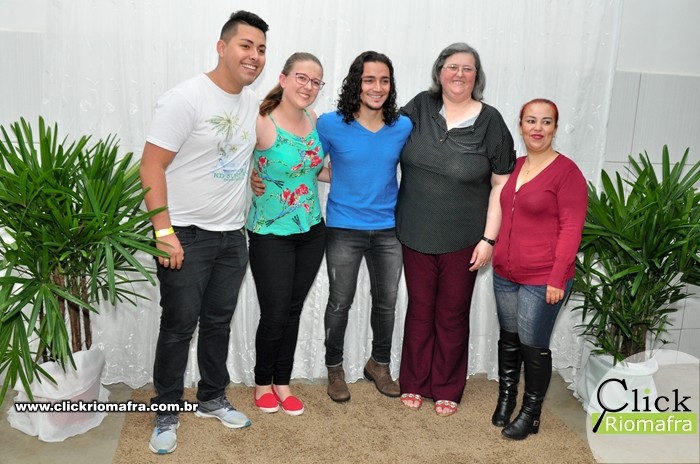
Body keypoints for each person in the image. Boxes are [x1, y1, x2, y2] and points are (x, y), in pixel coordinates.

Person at [139, 11, 268, 454]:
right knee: (178, 326)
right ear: (222, 47)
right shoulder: (186, 98)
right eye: (246, 45)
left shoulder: (252, 103)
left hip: (233, 235)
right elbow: (151, 166)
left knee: (217, 323)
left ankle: (212, 397)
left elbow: (238, 154)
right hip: (185, 235)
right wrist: (163, 230)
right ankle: (166, 410)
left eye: (261, 49)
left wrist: (253, 176)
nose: (254, 56)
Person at [396, 42, 515, 417]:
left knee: (451, 314)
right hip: (414, 231)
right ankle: (414, 381)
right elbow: (381, 139)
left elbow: (501, 185)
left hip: (465, 239)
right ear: (439, 72)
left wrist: (489, 239)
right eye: (452, 67)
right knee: (419, 311)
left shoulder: (491, 121)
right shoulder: (420, 106)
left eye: (467, 68)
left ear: (476, 76)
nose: (459, 74)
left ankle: (447, 387)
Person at [317, 51, 412, 402]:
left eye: (384, 80)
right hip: (343, 228)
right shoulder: (330, 124)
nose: (377, 87)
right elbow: (306, 163)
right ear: (356, 83)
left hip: (389, 229)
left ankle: (379, 364)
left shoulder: (402, 126)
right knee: (340, 302)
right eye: (369, 79)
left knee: (386, 302)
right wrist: (259, 175)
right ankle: (334, 369)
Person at [491, 98, 588, 440]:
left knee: (533, 345)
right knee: (510, 338)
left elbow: (571, 229)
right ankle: (506, 398)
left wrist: (557, 277)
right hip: (505, 273)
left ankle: (531, 414)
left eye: (546, 122)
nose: (538, 128)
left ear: (555, 129)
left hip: (543, 277)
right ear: (521, 126)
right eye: (531, 120)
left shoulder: (567, 173)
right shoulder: (515, 166)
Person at [248, 52, 327, 417]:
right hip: (270, 233)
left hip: (312, 229)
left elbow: (312, 169)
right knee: (275, 312)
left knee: (292, 310)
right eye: (301, 78)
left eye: (315, 82)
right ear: (283, 79)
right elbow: (231, 161)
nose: (308, 86)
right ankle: (262, 383)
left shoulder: (314, 119)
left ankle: (283, 381)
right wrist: (250, 177)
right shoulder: (262, 121)